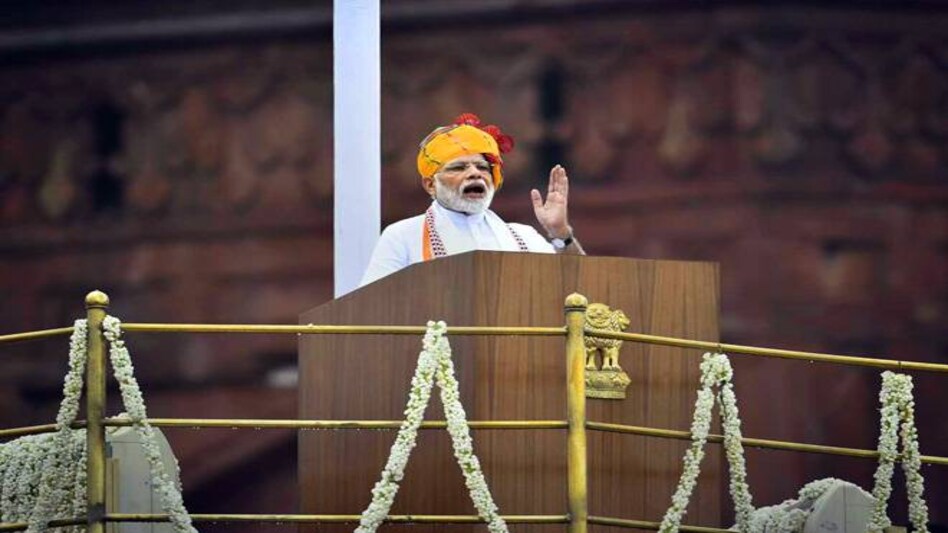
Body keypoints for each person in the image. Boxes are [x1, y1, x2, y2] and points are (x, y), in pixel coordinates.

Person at [360, 113, 585, 286]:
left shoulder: (522, 236)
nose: (475, 173)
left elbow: (577, 286)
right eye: (459, 167)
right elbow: (373, 308)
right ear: (430, 185)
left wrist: (560, 232)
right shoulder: (403, 235)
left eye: (482, 167)